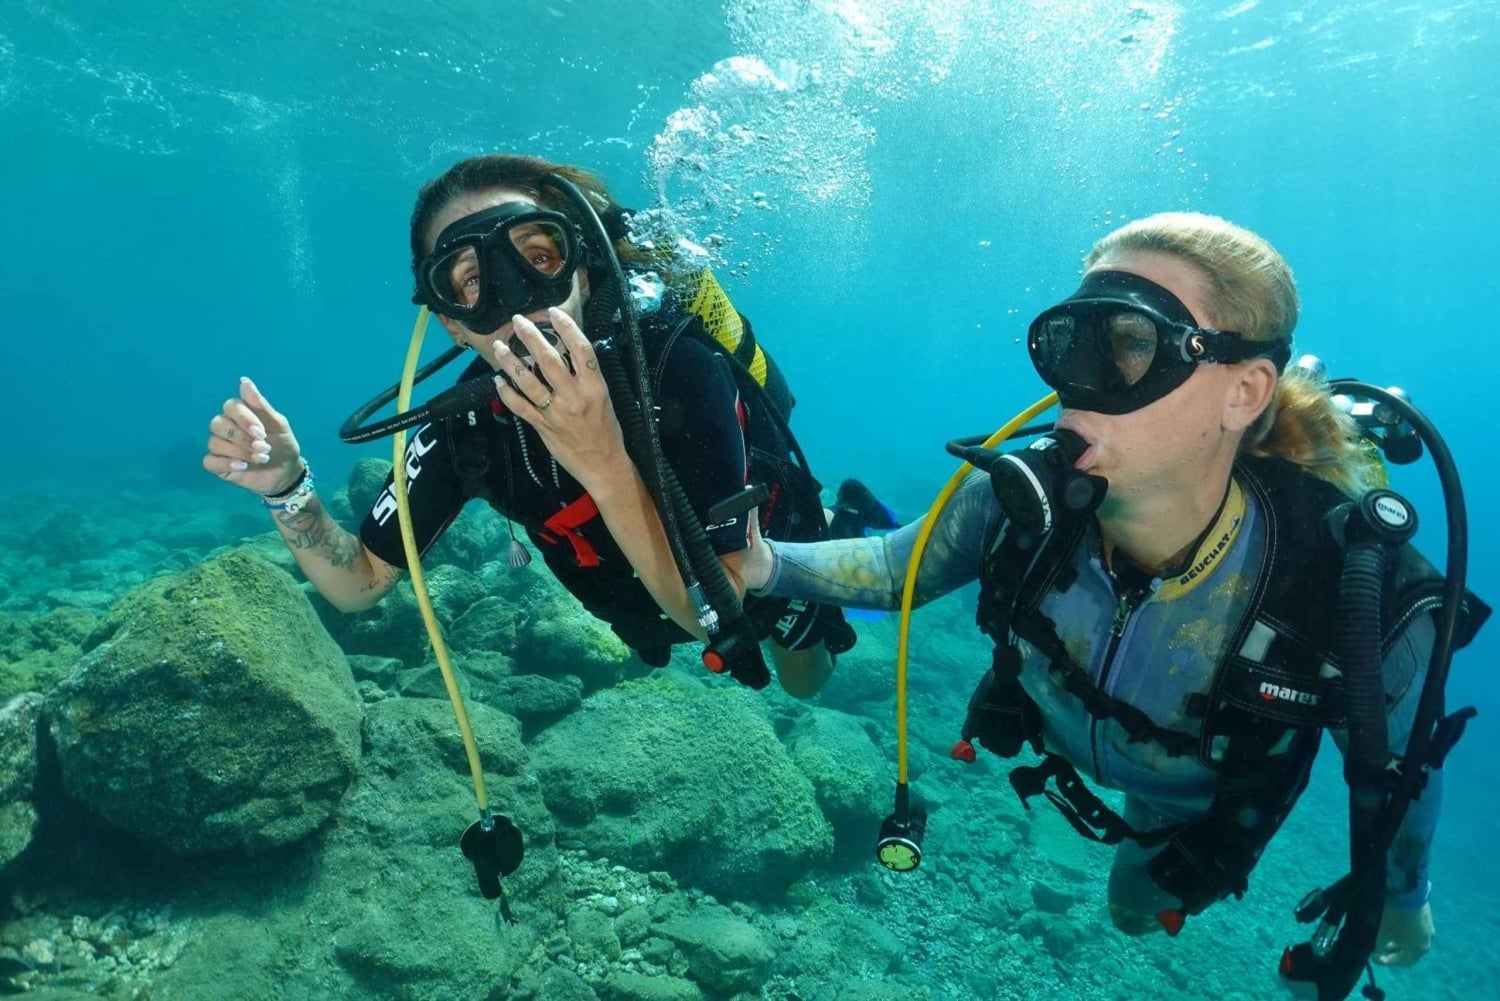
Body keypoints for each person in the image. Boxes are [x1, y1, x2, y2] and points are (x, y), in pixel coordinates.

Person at [531, 210, 1484, 994]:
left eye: (1129, 344)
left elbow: (1402, 774)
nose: (1077, 384)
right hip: (1053, 733)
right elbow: (898, 568)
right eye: (1067, 342)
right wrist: (766, 564)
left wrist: (1405, 900)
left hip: (1191, 800)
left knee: (1132, 908)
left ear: (1245, 391)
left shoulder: (1348, 591)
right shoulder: (1018, 504)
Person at [202, 153, 887, 697]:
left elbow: (716, 609)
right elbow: (358, 581)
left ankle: (840, 518)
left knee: (804, 683)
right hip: (639, 607)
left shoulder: (680, 368)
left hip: (754, 570)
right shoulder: (470, 427)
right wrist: (287, 488)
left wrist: (602, 456)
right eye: (472, 280)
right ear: (452, 323)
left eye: (538, 256)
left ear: (584, 270)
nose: (515, 300)